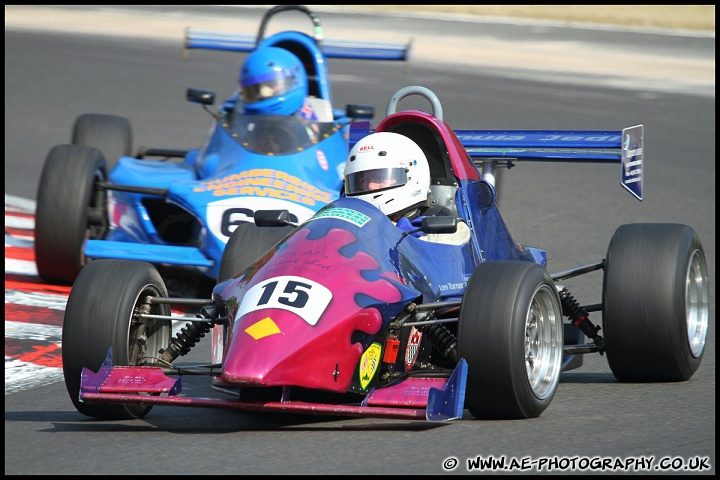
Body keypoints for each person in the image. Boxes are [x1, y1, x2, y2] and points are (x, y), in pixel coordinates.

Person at [343, 131, 471, 245]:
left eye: (380, 178)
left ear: (412, 176)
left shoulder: (452, 232)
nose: (370, 185)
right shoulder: (346, 227)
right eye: (363, 180)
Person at [238, 46, 332, 122]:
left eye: (272, 85)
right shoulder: (239, 116)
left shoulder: (320, 114)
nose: (264, 93)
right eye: (254, 90)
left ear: (295, 81)